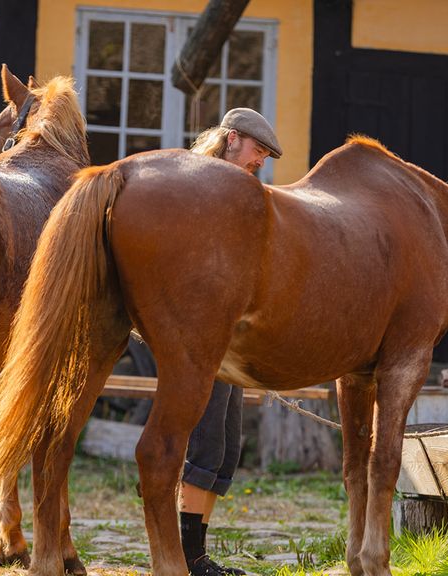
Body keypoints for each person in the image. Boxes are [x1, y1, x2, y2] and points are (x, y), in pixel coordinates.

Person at [180, 108, 282, 576]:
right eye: (257, 150)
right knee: (204, 443)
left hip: (232, 336)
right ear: (231, 138)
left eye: (264, 155)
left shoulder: (241, 191)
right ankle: (186, 556)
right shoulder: (200, 184)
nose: (260, 161)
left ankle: (197, 553)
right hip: (202, 333)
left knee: (225, 446)